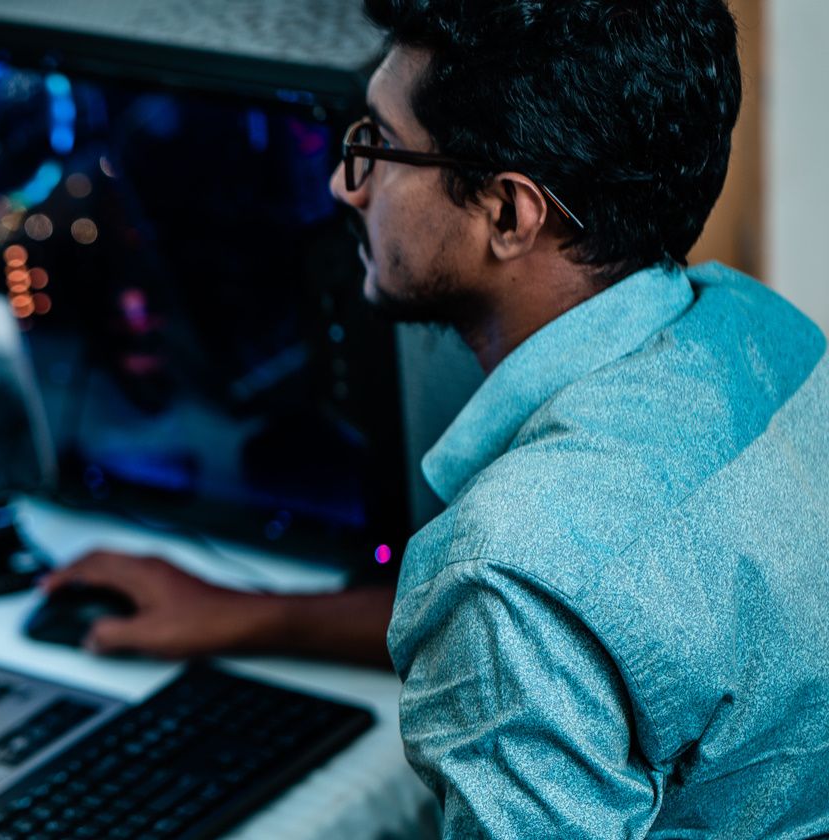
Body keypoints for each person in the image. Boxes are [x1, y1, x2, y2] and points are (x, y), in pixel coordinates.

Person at [43, 0, 829, 835]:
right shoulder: (763, 331)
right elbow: (596, 623)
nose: (347, 185)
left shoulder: (507, 570)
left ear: (507, 214)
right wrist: (253, 613)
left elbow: (524, 596)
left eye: (377, 145)